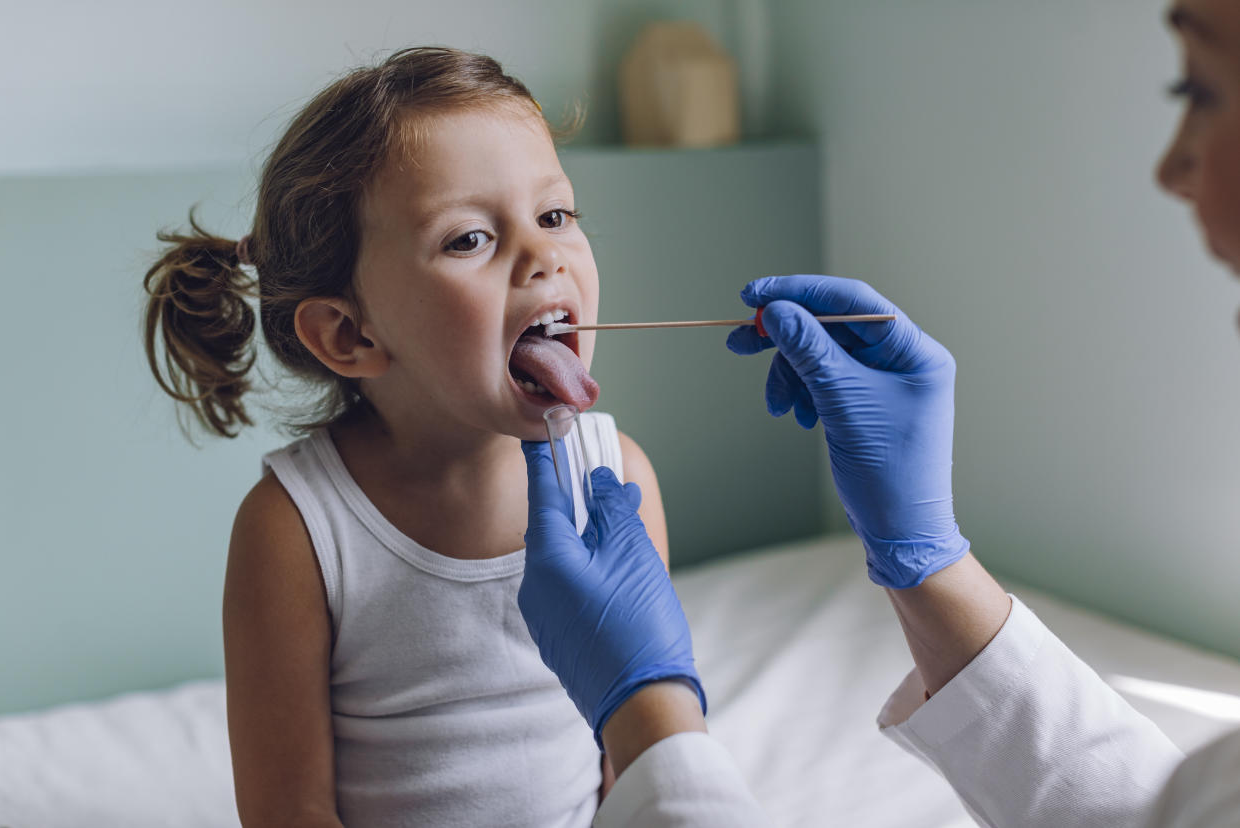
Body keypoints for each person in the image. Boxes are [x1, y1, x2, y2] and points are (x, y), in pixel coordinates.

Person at [516, 1, 1240, 825]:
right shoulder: (332, 521)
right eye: (467, 238)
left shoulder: (625, 475)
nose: (1172, 168)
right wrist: (926, 560)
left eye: (1204, 89)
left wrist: (647, 711)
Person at [141, 47, 694, 827]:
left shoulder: (617, 479)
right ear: (347, 334)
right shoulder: (296, 530)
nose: (544, 258)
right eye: (469, 239)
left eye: (555, 214)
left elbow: (642, 767)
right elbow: (289, 813)